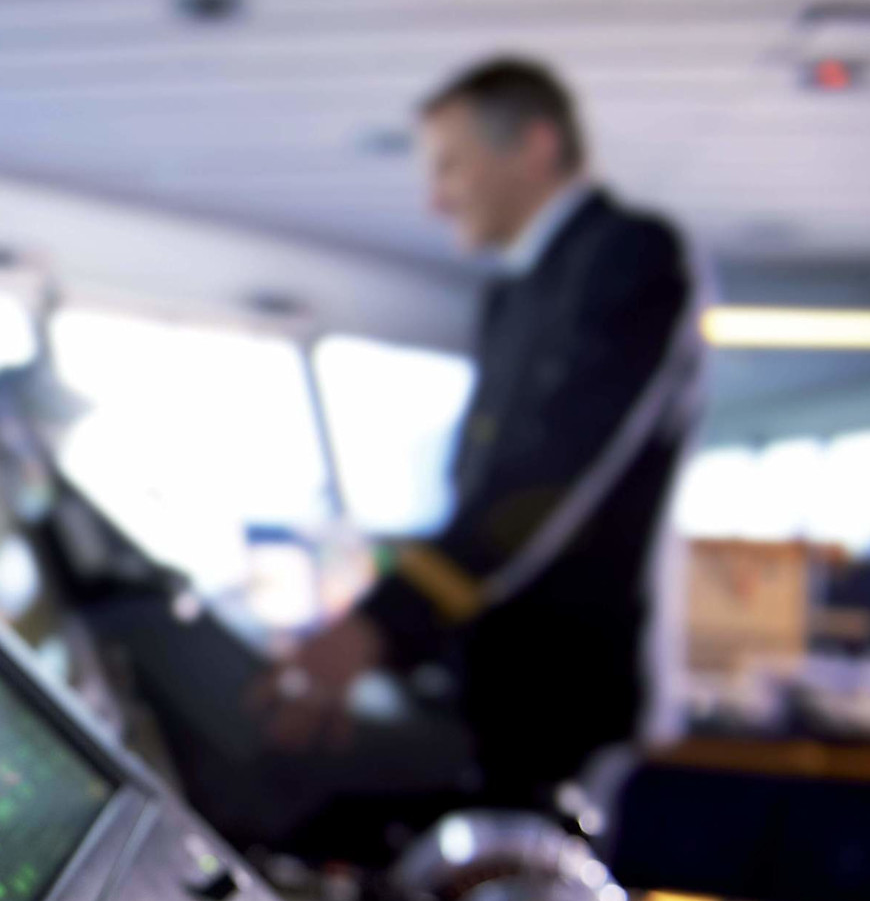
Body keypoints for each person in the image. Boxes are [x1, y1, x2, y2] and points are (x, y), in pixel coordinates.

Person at [260, 56, 706, 809]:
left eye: (450, 166)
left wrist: (383, 626)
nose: (436, 200)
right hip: (489, 686)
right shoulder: (512, 292)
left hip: (563, 699)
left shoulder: (631, 253)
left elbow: (548, 478)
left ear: (532, 147)